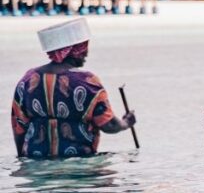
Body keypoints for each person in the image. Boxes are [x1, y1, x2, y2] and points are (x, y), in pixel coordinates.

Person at [11, 18, 136, 158]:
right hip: (79, 163)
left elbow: (19, 126)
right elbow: (109, 125)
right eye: (83, 48)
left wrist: (21, 158)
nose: (86, 54)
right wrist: (126, 123)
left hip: (36, 163)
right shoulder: (88, 82)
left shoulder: (27, 80)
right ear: (74, 50)